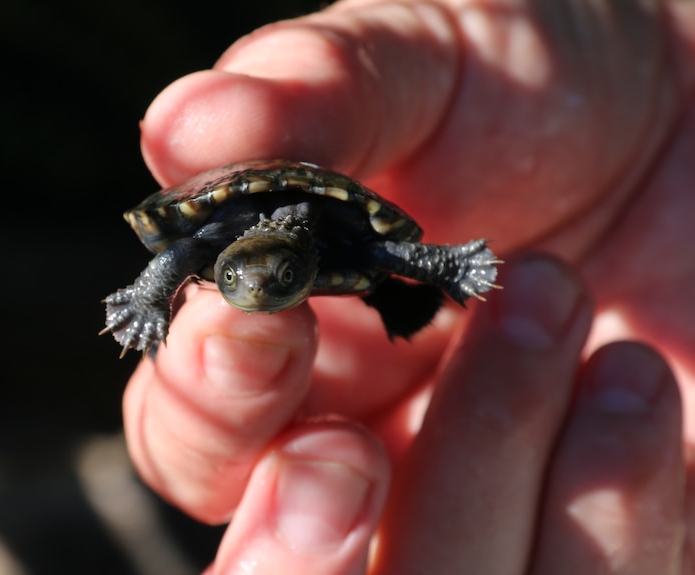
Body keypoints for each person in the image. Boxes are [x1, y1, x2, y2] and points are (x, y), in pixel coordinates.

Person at [122, 1, 695, 572]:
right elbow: (180, 253)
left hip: (343, 246)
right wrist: (149, 299)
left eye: (281, 281)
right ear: (222, 268)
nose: (254, 296)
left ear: (298, 269)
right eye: (232, 281)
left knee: (380, 270)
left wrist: (447, 265)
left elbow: (382, 250)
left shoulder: (328, 234)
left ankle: (401, 295)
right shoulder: (207, 240)